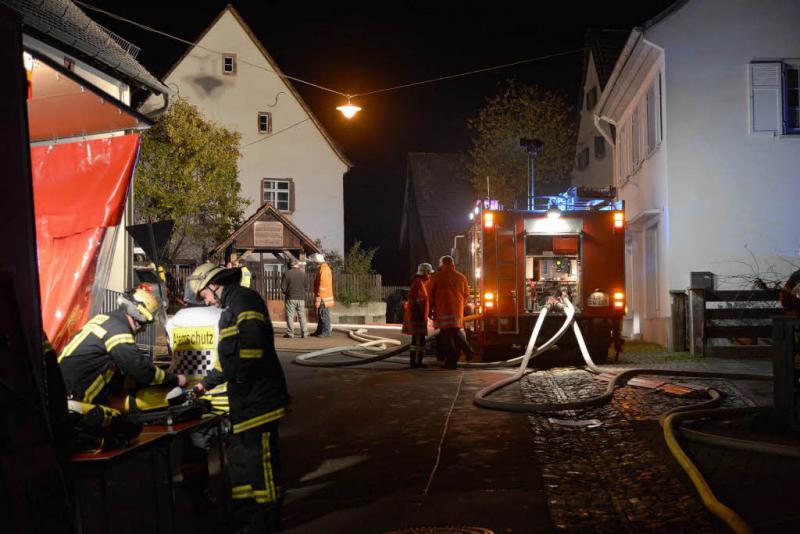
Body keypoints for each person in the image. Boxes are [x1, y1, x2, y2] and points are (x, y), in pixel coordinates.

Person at [188, 262, 290, 533]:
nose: (206, 301)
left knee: (261, 464)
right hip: (243, 403)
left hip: (260, 401)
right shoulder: (228, 311)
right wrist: (202, 387)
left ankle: (268, 520)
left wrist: (242, 382)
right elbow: (226, 364)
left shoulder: (245, 300)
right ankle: (246, 516)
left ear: (215, 284)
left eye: (204, 295)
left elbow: (252, 349)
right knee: (241, 463)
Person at [59, 288, 186, 408]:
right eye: (145, 323)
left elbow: (110, 369)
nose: (144, 328)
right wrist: (174, 380)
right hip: (77, 398)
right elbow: (139, 369)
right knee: (124, 424)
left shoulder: (107, 319)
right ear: (140, 314)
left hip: (64, 387)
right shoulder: (119, 332)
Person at [428, 255, 472, 369]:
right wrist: (460, 305)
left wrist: (431, 307)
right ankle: (468, 351)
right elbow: (466, 294)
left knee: (446, 336)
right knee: (456, 331)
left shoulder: (437, 277)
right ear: (453, 264)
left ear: (441, 264)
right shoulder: (461, 277)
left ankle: (451, 362)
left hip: (443, 311)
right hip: (457, 312)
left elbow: (430, 295)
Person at [403, 263, 433, 367]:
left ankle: (417, 362)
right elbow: (416, 301)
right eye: (429, 273)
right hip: (417, 317)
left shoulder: (420, 283)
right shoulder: (418, 283)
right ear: (425, 273)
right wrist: (421, 315)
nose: (430, 276)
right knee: (417, 341)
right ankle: (415, 362)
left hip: (419, 316)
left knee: (420, 341)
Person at [309, 253, 334, 337]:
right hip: (323, 297)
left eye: (314, 263)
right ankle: (320, 331)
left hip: (323, 298)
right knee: (321, 314)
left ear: (317, 262)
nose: (314, 264)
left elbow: (322, 286)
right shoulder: (323, 269)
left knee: (323, 314)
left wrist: (318, 298)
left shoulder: (324, 270)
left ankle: (326, 332)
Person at [281, 260, 308, 338]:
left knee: (290, 315)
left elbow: (283, 287)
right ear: (297, 265)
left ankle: (290, 333)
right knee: (302, 316)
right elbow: (306, 286)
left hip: (290, 297)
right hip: (301, 297)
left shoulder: (287, 273)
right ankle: (305, 333)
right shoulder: (303, 273)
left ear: (290, 265)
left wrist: (287, 293)